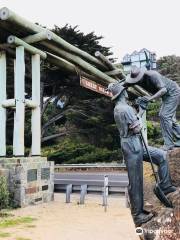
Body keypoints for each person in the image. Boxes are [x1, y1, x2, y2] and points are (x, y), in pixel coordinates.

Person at [108, 82, 176, 226]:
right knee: (136, 181)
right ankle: (137, 214)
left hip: (136, 143)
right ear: (122, 93)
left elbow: (135, 123)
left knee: (161, 156)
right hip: (131, 145)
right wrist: (138, 115)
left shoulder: (123, 108)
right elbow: (136, 128)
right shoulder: (123, 109)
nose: (126, 92)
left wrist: (141, 111)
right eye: (124, 91)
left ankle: (165, 185)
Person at [124, 66, 180, 151]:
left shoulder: (153, 75)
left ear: (142, 75)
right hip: (166, 96)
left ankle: (169, 144)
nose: (137, 82)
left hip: (173, 92)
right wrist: (115, 86)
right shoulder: (137, 80)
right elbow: (125, 83)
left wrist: (150, 98)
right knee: (170, 119)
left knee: (164, 116)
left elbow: (163, 90)